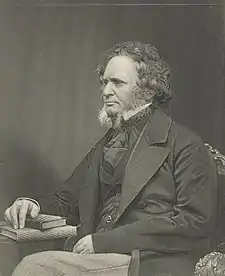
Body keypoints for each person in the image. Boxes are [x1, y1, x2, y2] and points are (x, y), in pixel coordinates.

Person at [5, 41, 217, 276]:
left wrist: (104, 242)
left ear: (146, 89)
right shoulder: (108, 142)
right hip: (98, 258)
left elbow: (194, 221)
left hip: (147, 262)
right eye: (105, 82)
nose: (106, 91)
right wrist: (32, 204)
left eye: (117, 82)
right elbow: (68, 201)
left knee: (36, 268)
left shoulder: (186, 144)